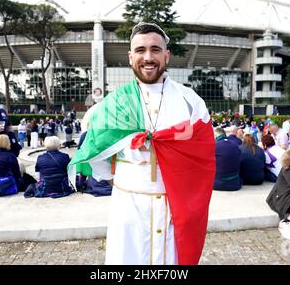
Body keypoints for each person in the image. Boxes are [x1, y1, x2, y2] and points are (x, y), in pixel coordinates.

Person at [68, 22, 216, 265]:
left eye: (155, 50)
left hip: (174, 205)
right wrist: (122, 180)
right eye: (140, 50)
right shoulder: (113, 104)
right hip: (128, 206)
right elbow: (97, 153)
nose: (148, 57)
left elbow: (203, 154)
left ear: (166, 55)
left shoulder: (191, 101)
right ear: (130, 57)